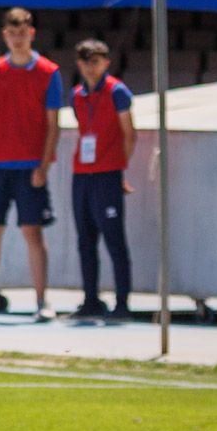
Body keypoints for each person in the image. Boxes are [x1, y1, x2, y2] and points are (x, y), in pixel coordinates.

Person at [0, 7, 62, 323]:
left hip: (30, 165)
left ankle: (42, 301)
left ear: (31, 33)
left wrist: (44, 165)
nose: (18, 38)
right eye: (12, 32)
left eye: (23, 32)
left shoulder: (49, 72)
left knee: (32, 232)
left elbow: (53, 124)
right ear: (5, 35)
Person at [67, 39, 137, 321]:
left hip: (107, 173)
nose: (90, 67)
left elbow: (129, 133)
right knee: (85, 240)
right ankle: (91, 299)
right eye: (85, 61)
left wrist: (119, 167)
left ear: (106, 62)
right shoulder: (77, 95)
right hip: (82, 174)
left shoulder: (117, 91)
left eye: (95, 61)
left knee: (114, 240)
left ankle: (122, 302)